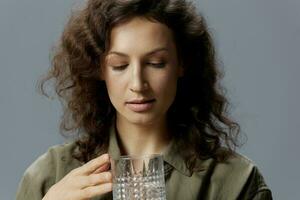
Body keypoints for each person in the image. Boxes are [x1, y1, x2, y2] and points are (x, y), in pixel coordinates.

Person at [16, 0, 273, 199]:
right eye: (119, 65)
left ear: (181, 63)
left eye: (155, 63)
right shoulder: (52, 175)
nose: (138, 84)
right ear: (99, 69)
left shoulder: (236, 182)